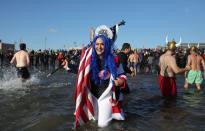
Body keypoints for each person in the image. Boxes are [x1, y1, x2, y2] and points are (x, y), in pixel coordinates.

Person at [63, 25, 128, 128]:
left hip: (106, 96)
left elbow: (122, 75)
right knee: (93, 121)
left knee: (102, 125)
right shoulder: (88, 58)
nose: (99, 47)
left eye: (102, 44)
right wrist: (68, 66)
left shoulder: (115, 59)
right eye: (97, 44)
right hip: (92, 95)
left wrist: (120, 81)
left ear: (107, 45)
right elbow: (81, 70)